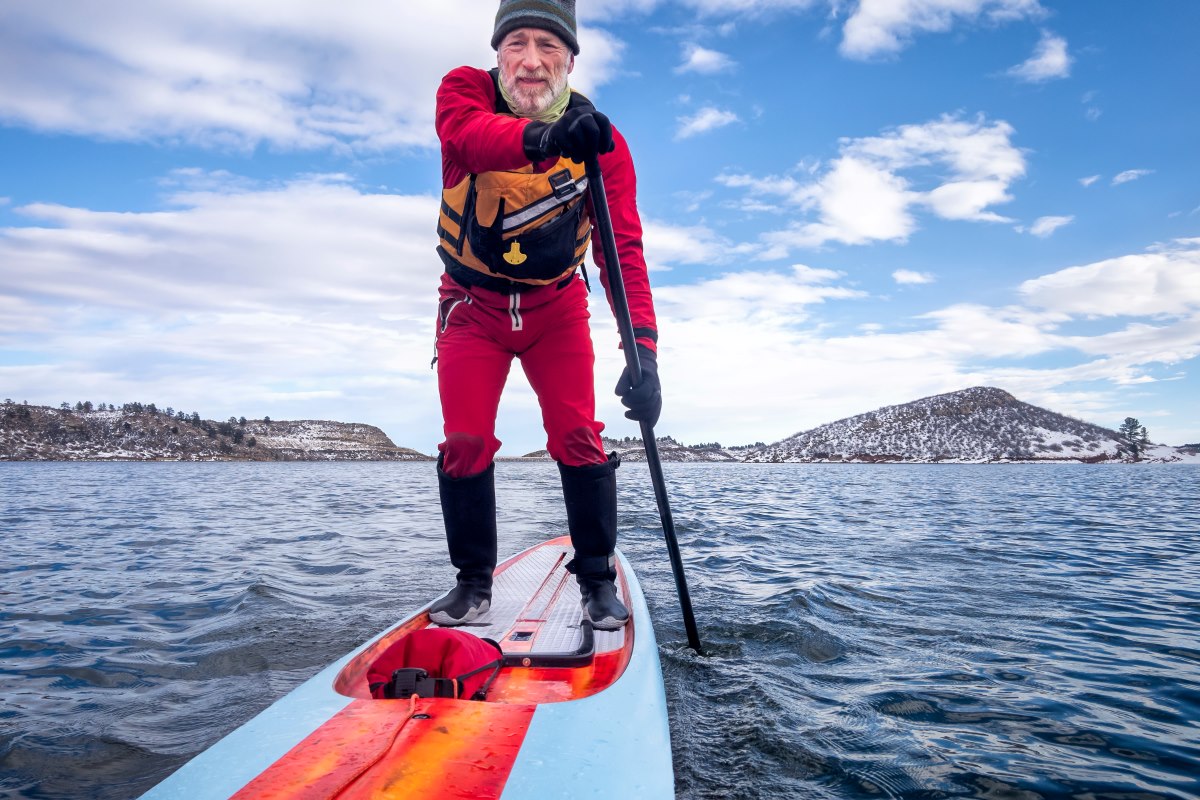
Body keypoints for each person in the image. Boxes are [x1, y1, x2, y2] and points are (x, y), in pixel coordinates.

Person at [428, 0, 660, 631]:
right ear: (498, 51)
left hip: (556, 309)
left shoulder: (600, 140)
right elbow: (469, 140)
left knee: (578, 435)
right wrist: (546, 139)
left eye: (548, 46)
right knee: (466, 440)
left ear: (570, 58)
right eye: (518, 43)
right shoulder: (463, 91)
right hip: (472, 309)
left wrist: (643, 352)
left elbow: (623, 251)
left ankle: (595, 579)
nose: (531, 61)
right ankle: (473, 583)